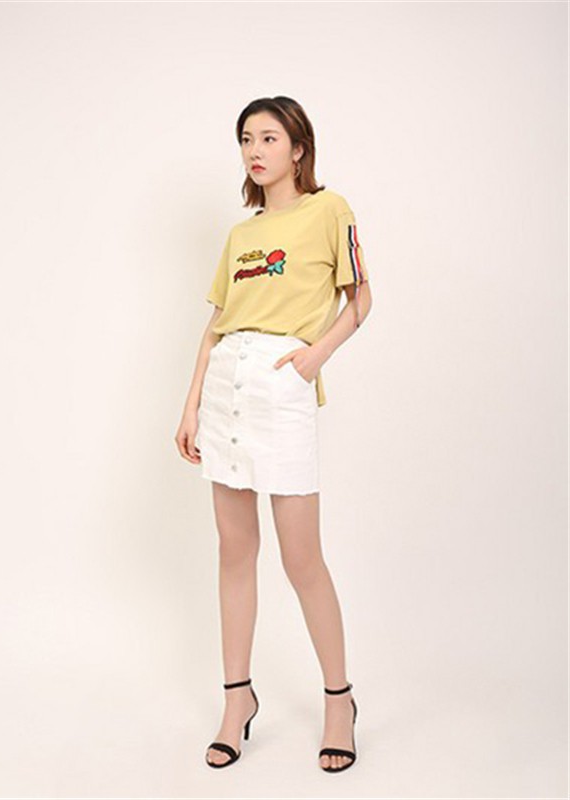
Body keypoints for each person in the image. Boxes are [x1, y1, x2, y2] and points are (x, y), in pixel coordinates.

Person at [175, 95, 373, 773]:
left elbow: (361, 297)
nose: (254, 150)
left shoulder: (330, 210)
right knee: (234, 551)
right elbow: (216, 324)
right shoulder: (242, 235)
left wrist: (315, 356)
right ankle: (237, 700)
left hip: (281, 385)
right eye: (245, 139)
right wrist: (190, 404)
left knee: (301, 558)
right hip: (226, 384)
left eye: (267, 137)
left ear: (298, 147)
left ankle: (339, 701)